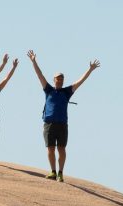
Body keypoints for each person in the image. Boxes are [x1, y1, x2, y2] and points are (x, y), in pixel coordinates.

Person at [26, 50, 100, 182]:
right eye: (57, 78)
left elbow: (80, 81)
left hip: (62, 124)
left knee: (61, 148)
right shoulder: (48, 89)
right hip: (49, 123)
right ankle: (53, 171)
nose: (59, 80)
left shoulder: (67, 92)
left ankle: (60, 173)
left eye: (61, 79)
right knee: (50, 148)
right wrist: (33, 61)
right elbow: (40, 76)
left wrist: (90, 70)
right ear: (54, 80)